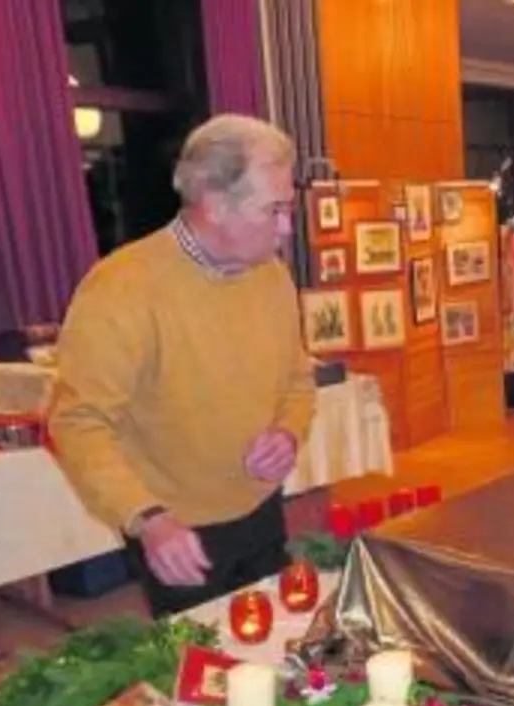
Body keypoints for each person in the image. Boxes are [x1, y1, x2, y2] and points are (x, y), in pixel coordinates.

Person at [48, 114, 315, 618]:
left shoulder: (271, 277)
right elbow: (78, 422)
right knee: (206, 676)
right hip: (177, 529)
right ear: (214, 205)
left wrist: (288, 433)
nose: (286, 228)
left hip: (260, 508)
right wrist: (147, 519)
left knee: (277, 644)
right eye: (274, 210)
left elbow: (297, 381)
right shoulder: (121, 288)